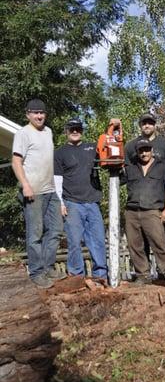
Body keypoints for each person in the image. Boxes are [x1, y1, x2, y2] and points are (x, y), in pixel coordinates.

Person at [12, 99, 65, 289]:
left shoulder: (48, 132)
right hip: (33, 192)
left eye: (42, 113)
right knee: (35, 234)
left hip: (50, 190)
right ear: (27, 114)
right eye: (35, 113)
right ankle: (36, 272)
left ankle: (48, 267)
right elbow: (16, 162)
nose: (39, 116)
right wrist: (25, 185)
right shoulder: (23, 134)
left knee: (57, 229)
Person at [54, 118, 108, 280]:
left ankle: (101, 276)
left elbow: (109, 149)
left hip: (92, 202)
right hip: (72, 202)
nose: (75, 132)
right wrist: (60, 203)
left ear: (82, 131)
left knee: (98, 240)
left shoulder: (93, 148)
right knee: (75, 242)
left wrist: (111, 128)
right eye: (72, 129)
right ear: (66, 132)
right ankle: (77, 276)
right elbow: (56, 179)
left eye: (78, 129)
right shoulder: (59, 153)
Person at [122, 138, 165, 288]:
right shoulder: (131, 167)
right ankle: (143, 275)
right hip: (132, 211)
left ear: (152, 150)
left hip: (153, 211)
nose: (144, 153)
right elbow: (117, 178)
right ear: (137, 152)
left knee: (160, 243)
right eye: (141, 150)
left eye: (147, 149)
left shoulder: (164, 166)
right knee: (135, 246)